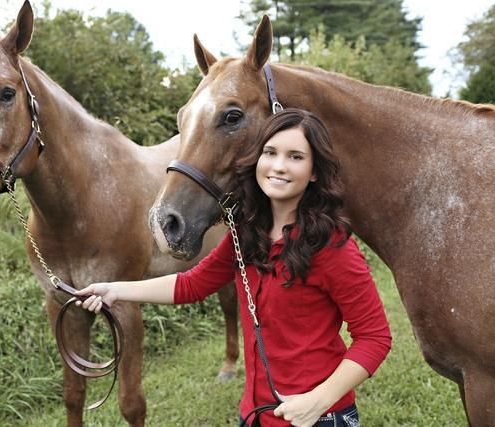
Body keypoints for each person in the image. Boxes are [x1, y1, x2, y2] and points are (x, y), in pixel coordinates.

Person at [75, 108, 391, 427]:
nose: (279, 166)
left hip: (318, 417)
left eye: (295, 157)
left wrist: (316, 401)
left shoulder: (330, 246)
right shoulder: (246, 233)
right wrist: (114, 290)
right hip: (254, 414)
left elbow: (374, 337)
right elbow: (191, 285)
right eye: (270, 153)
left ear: (314, 172)